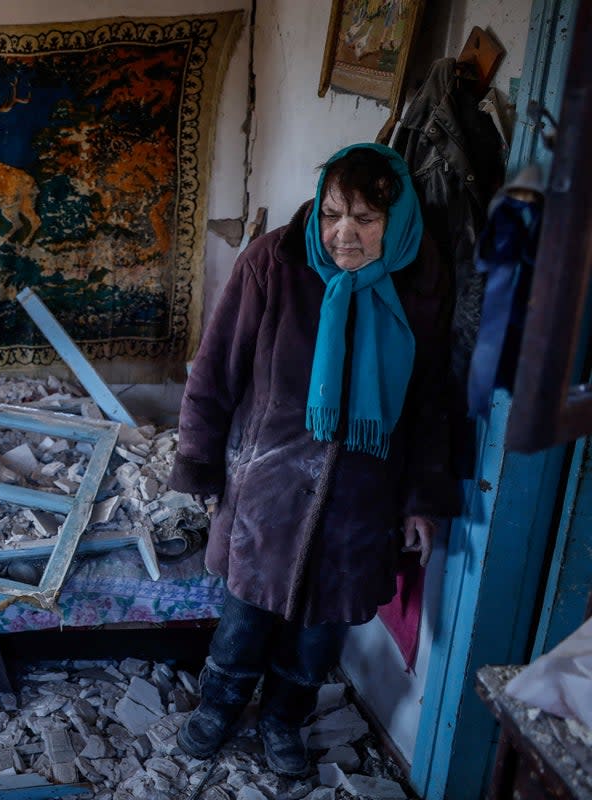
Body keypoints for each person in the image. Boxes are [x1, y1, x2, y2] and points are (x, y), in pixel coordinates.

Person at [169, 143, 460, 777]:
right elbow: (215, 369)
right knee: (244, 614)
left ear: (397, 218)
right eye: (332, 214)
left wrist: (421, 501)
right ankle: (217, 706)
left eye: (365, 219)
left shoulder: (422, 277)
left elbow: (432, 397)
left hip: (363, 497)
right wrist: (199, 463)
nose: (343, 235)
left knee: (320, 630)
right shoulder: (275, 260)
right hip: (267, 481)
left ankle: (282, 720)